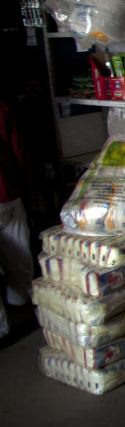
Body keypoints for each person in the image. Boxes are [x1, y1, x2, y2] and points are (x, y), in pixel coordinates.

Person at [0, 97, 33, 340]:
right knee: (19, 252)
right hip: (8, 190)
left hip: (9, 191)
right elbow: (18, 148)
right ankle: (22, 301)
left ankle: (2, 329)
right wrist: (26, 182)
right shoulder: (2, 106)